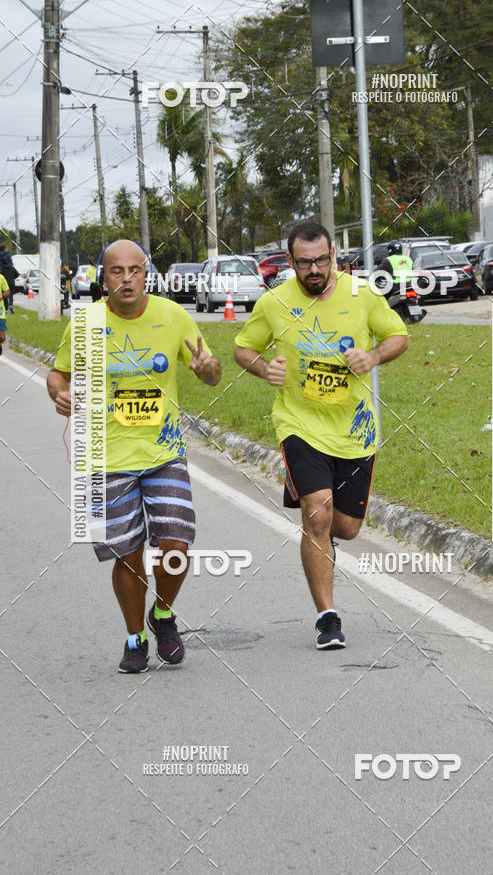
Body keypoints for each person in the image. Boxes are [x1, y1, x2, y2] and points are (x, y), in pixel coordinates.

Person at [47, 239, 222, 673]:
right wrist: (60, 393)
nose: (127, 279)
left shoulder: (172, 315)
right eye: (116, 271)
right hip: (104, 454)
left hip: (163, 451)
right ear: (102, 278)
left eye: (135, 270)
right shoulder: (86, 323)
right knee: (127, 554)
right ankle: (133, 637)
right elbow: (58, 374)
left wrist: (206, 369)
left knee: (176, 545)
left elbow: (212, 371)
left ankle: (163, 614)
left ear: (147, 274)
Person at [234, 221, 408, 649]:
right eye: (305, 262)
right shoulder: (275, 302)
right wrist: (262, 368)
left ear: (334, 256)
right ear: (290, 261)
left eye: (322, 260)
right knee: (316, 512)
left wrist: (373, 355)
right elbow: (243, 347)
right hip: (299, 425)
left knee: (345, 528)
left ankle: (325, 534)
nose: (314, 269)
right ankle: (327, 617)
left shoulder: (361, 294)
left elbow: (399, 336)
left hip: (354, 431)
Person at [0, 243, 16, 313]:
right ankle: (11, 304)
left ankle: (6, 308)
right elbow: (13, 268)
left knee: (4, 293)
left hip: (2, 278)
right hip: (10, 279)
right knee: (10, 293)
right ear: (5, 249)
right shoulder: (8, 256)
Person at [0, 270, 9, 354]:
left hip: (0, 313)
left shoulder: (1, 278)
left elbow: (7, 291)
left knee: (2, 337)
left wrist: (2, 296)